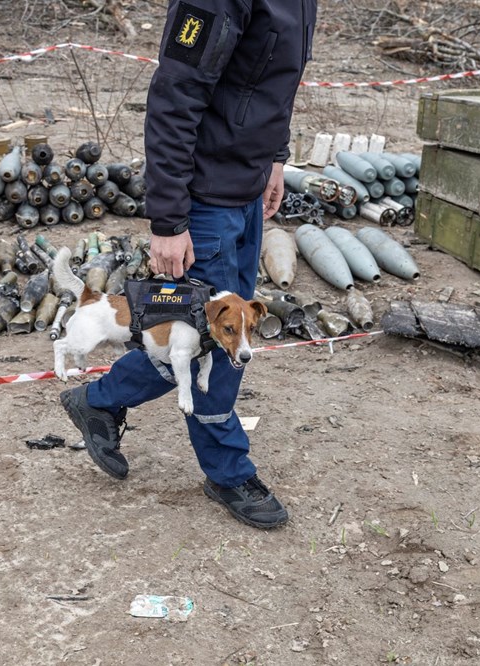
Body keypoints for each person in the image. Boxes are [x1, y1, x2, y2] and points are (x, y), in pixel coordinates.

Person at [61, 0, 317, 529]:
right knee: (224, 347)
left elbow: (276, 85)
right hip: (204, 201)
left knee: (219, 330)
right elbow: (176, 94)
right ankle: (227, 471)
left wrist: (275, 157)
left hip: (244, 192)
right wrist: (170, 220)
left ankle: (99, 401)